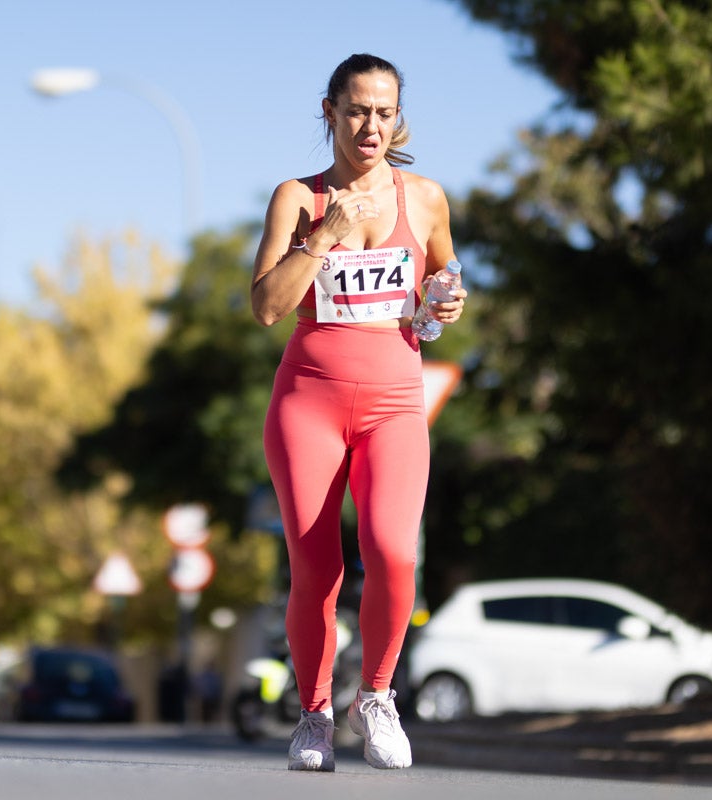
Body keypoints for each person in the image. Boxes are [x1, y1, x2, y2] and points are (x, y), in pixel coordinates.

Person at [251, 53, 467, 772]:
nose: (370, 125)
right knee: (315, 569)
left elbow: (441, 292)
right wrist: (324, 234)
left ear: (397, 117)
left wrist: (445, 304)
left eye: (384, 111)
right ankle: (314, 715)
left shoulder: (427, 197)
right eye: (356, 110)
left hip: (395, 402)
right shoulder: (298, 197)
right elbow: (266, 307)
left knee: (394, 551)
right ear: (330, 113)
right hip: (308, 400)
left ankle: (375, 697)